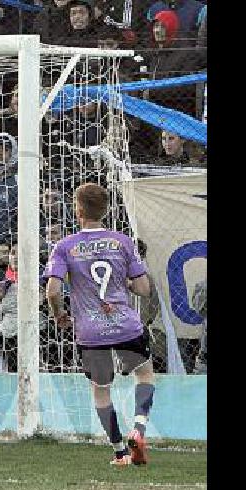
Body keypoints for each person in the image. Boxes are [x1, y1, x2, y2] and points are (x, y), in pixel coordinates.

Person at [44, 183, 155, 467]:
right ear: (105, 210)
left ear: (78, 210)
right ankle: (138, 430)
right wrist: (125, 283)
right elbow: (143, 289)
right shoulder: (122, 242)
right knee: (144, 375)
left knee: (101, 389)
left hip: (91, 331)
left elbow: (53, 291)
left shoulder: (65, 246)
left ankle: (119, 452)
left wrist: (59, 315)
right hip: (126, 326)